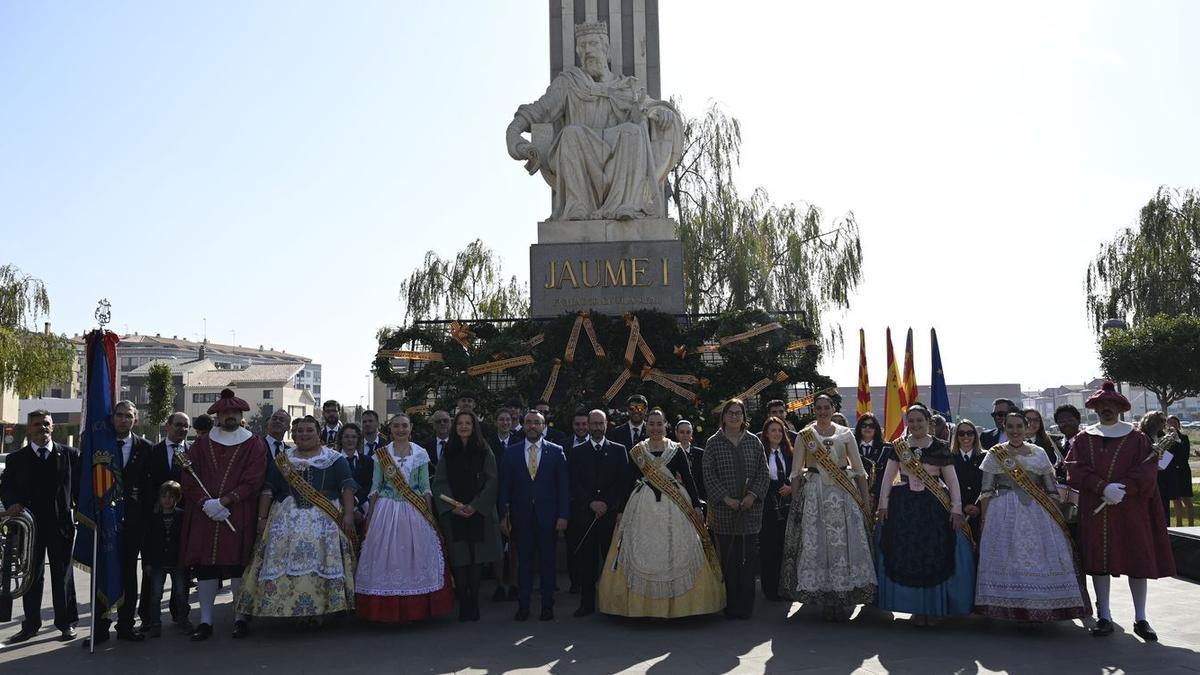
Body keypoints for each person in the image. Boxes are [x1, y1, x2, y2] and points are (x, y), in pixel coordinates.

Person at [506, 20, 682, 221]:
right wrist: (514, 131)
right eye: (582, 46)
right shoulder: (569, 83)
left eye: (593, 44)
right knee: (570, 134)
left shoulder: (625, 87)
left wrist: (662, 112)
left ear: (605, 49)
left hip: (618, 149)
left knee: (632, 132)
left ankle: (625, 206)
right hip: (583, 148)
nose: (587, 50)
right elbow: (540, 109)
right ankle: (577, 208)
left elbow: (648, 105)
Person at [1064, 381, 1176, 640]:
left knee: (1136, 560)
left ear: (1120, 407)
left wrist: (1124, 487)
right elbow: (1075, 468)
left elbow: (1147, 471)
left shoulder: (1138, 438)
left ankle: (1141, 618)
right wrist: (1102, 487)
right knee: (1099, 563)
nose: (1107, 409)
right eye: (1102, 405)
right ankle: (1105, 616)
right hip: (1096, 507)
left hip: (1131, 508)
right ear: (1095, 408)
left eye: (1112, 405)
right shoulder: (1083, 438)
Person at [600, 408, 723, 618]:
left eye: (659, 424)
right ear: (646, 426)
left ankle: (679, 608)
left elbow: (688, 478)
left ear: (665, 425)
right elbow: (627, 483)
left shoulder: (676, 449)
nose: (655, 428)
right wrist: (620, 511)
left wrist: (696, 506)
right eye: (651, 424)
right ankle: (641, 608)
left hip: (674, 508)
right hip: (642, 507)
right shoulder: (638, 451)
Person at [237, 415, 357, 626]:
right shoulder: (283, 460)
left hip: (325, 521)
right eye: (300, 431)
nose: (304, 434)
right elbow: (268, 490)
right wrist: (262, 518)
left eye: (309, 430)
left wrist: (348, 515)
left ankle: (321, 611)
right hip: (286, 520)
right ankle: (286, 607)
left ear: (318, 434)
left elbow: (347, 487)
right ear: (294, 434)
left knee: (324, 563)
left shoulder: (334, 458)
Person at [974, 412, 1088, 623]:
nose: (1015, 431)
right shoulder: (995, 453)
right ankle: (1013, 610)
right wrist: (985, 521)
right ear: (1004, 428)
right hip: (1003, 513)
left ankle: (1040, 609)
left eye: (1019, 426)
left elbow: (1051, 490)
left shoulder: (1039, 453)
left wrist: (1056, 518)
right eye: (1010, 426)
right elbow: (987, 491)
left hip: (1038, 512)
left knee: (1038, 559)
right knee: (1009, 560)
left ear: (1027, 428)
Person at [179, 389, 268, 641]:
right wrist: (205, 502)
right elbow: (188, 476)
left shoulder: (254, 443)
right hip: (205, 514)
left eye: (234, 412)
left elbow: (254, 479)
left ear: (241, 415)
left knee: (238, 566)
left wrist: (226, 500)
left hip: (238, 512)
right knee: (206, 567)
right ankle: (205, 620)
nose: (230, 416)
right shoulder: (201, 444)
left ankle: (240, 618)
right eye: (225, 412)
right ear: (217, 416)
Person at [876, 403, 975, 626]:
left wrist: (956, 509)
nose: (915, 424)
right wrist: (884, 505)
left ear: (928, 422)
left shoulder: (940, 447)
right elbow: (887, 478)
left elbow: (952, 480)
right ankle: (915, 609)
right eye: (911, 421)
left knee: (934, 554)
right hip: (905, 507)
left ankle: (933, 608)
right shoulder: (898, 446)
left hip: (934, 507)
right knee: (909, 554)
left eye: (919, 420)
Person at [780, 396, 876, 620]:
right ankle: (825, 597)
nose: (823, 411)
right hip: (815, 494)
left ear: (834, 409)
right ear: (814, 410)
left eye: (827, 407)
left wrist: (864, 501)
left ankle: (843, 597)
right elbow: (796, 472)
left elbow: (860, 470)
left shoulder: (845, 433)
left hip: (843, 495)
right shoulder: (806, 435)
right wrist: (796, 501)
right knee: (819, 545)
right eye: (819, 408)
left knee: (843, 546)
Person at [357, 414, 454, 623]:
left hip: (414, 511)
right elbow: (375, 487)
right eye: (396, 426)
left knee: (415, 556)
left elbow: (425, 487)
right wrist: (370, 518)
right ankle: (386, 608)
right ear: (390, 429)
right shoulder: (381, 454)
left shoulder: (420, 453)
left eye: (404, 426)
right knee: (386, 558)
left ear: (411, 428)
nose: (400, 430)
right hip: (386, 511)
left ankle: (416, 608)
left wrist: (429, 516)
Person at [0, 409, 80, 644]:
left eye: (46, 424)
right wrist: (12, 502)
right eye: (37, 424)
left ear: (53, 427)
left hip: (61, 526)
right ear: (29, 429)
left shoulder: (70, 455)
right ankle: (31, 625)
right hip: (29, 530)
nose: (42, 428)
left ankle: (66, 624)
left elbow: (79, 490)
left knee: (63, 576)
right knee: (31, 578)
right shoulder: (16, 459)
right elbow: (6, 488)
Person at [86, 400, 154, 646]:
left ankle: (126, 625)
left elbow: (151, 489)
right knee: (103, 572)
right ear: (112, 418)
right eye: (119, 415)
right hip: (104, 520)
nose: (123, 419)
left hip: (133, 523)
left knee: (128, 574)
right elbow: (84, 482)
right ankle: (100, 629)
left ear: (135, 419)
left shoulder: (146, 448)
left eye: (129, 416)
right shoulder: (98, 446)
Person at [498, 411, 570, 621]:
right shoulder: (511, 453)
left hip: (548, 518)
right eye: (528, 422)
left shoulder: (556, 452)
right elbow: (504, 487)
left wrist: (563, 515)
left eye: (536, 423)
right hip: (522, 518)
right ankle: (524, 606)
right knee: (524, 565)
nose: (532, 426)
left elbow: (563, 487)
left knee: (548, 565)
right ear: (523, 425)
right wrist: (504, 515)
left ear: (543, 426)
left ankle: (547, 606)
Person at [431, 411, 503, 621]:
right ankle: (463, 601)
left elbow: (492, 480)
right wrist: (453, 507)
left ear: (474, 426)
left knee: (476, 559)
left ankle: (474, 602)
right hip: (455, 512)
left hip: (478, 512)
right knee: (460, 559)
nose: (464, 426)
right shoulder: (449, 451)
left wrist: (476, 506)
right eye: (460, 423)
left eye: (468, 423)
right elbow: (440, 482)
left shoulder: (484, 449)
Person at [703, 398, 769, 620]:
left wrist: (752, 496)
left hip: (750, 513)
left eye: (738, 413)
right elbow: (709, 475)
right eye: (730, 413)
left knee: (748, 560)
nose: (734, 417)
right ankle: (730, 605)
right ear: (723, 417)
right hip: (724, 513)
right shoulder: (713, 443)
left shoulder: (754, 442)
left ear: (744, 417)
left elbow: (763, 473)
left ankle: (746, 607)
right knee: (729, 560)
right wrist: (726, 498)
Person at [566, 410, 628, 617]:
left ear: (607, 424)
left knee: (612, 563)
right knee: (587, 563)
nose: (597, 427)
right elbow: (573, 483)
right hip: (585, 515)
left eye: (601, 423)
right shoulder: (576, 452)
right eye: (594, 423)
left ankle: (613, 604)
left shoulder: (619, 450)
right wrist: (591, 503)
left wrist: (608, 504)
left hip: (610, 516)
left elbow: (623, 483)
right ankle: (586, 603)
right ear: (589, 425)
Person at [139, 411, 189, 633]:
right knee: (152, 579)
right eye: (178, 425)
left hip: (183, 521)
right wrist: (154, 507)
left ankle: (180, 616)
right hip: (156, 520)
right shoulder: (153, 451)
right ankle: (148, 618)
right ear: (167, 426)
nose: (182, 430)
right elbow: (144, 482)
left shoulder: (193, 452)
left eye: (186, 426)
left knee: (182, 578)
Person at [141, 481, 191, 637]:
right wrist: (146, 562)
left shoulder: (182, 516)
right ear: (159, 498)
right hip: (157, 562)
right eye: (164, 496)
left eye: (171, 496)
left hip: (178, 561)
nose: (167, 500)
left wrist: (188, 560)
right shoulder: (153, 517)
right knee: (155, 594)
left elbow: (187, 539)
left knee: (181, 593)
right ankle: (155, 623)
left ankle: (183, 620)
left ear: (177, 498)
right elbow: (147, 542)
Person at [757, 417, 793, 602]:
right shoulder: (761, 453)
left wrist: (791, 488)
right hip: (767, 507)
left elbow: (797, 474)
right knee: (768, 548)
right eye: (773, 430)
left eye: (780, 430)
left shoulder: (789, 452)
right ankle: (769, 589)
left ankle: (785, 587)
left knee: (784, 548)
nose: (777, 434)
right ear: (766, 433)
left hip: (786, 505)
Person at [484, 407, 519, 602]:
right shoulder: (487, 443)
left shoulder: (519, 441)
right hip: (493, 500)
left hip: (515, 499)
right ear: (496, 421)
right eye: (502, 419)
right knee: (496, 545)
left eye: (509, 419)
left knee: (514, 545)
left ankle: (513, 583)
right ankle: (499, 584)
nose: (505, 423)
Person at [949, 419, 985, 533]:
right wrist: (963, 506)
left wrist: (978, 507)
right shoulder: (948, 457)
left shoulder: (985, 457)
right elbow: (946, 485)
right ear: (956, 436)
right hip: (956, 513)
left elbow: (989, 486)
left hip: (980, 513)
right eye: (961, 433)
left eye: (969, 433)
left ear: (975, 435)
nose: (966, 436)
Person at [336, 423, 372, 530]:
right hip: (339, 509)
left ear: (358, 439)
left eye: (353, 437)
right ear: (341, 439)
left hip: (364, 509)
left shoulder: (368, 461)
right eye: (346, 436)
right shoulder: (333, 460)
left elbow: (369, 485)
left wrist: (356, 501)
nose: (350, 440)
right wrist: (353, 509)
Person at [853, 413, 890, 511]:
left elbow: (885, 475)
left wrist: (872, 494)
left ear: (876, 429)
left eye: (871, 426)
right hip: (854, 494)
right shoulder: (851, 446)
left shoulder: (886, 448)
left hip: (877, 496)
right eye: (864, 425)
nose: (867, 428)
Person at [1165, 415, 1194, 526]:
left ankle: (1191, 524)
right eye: (1170, 422)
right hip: (1172, 472)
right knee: (1176, 499)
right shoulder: (1165, 439)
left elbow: (1184, 455)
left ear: (1178, 424)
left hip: (1183, 471)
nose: (1172, 424)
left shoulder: (1184, 438)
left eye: (1175, 422)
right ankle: (1179, 525)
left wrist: (1177, 440)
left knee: (1186, 498)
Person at [676, 420, 706, 503]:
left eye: (688, 432)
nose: (685, 435)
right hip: (677, 499)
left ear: (691, 434)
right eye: (682, 432)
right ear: (676, 433)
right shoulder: (670, 454)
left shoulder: (701, 454)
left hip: (699, 499)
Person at [1053, 404, 1083, 484]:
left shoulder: (1088, 444)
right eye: (1061, 421)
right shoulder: (1055, 445)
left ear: (1079, 420)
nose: (1066, 424)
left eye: (1070, 420)